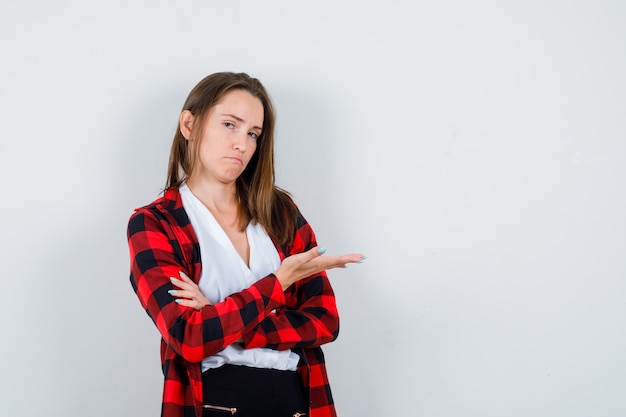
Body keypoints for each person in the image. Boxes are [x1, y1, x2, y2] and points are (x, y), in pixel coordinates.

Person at [127, 72, 364, 417]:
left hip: (297, 400)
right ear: (189, 125)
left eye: (253, 133)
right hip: (216, 402)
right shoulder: (156, 224)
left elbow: (325, 322)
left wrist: (220, 316)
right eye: (229, 125)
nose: (243, 143)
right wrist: (278, 283)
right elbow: (190, 338)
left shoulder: (280, 214)